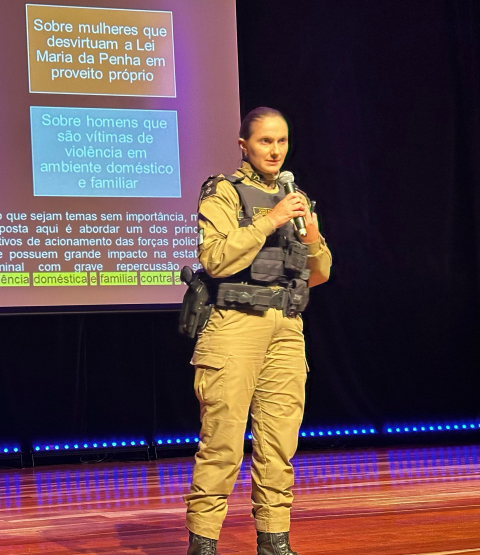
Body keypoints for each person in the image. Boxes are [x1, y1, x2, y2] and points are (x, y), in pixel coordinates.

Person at [183, 107, 332, 555]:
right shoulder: (224, 193)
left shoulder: (296, 197)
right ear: (244, 145)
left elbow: (320, 273)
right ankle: (204, 544)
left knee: (279, 441)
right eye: (266, 141)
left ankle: (274, 541)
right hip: (234, 326)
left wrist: (308, 235)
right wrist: (270, 219)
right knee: (223, 441)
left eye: (282, 141)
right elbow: (216, 259)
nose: (275, 150)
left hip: (286, 327)